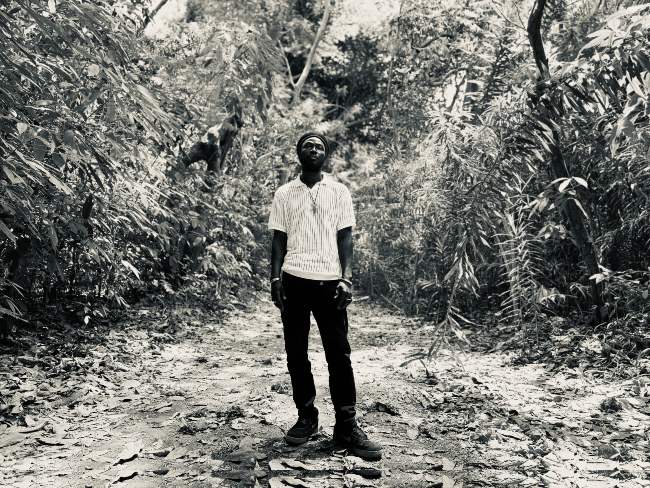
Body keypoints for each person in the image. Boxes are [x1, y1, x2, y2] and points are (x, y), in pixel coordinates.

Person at [268, 132, 382, 461]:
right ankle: (306, 418)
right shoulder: (284, 193)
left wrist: (346, 278)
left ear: (326, 154)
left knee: (339, 355)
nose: (313, 149)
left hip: (330, 283)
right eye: (308, 145)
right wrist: (275, 278)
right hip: (294, 280)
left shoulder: (339, 191)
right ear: (299, 153)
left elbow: (345, 237)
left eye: (319, 146)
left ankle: (347, 426)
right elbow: (278, 240)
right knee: (296, 354)